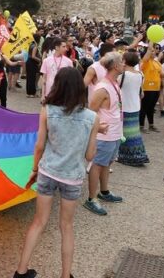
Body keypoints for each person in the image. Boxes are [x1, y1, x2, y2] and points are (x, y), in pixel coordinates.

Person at [12, 68, 103, 278]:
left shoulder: (48, 110)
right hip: (72, 177)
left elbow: (39, 145)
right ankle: (65, 274)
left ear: (58, 85)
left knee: (38, 222)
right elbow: (90, 155)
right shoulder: (92, 118)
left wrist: (35, 169)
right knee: (67, 226)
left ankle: (21, 271)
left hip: (47, 171)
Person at [84, 52, 124, 216]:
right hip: (104, 135)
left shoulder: (114, 83)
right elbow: (90, 111)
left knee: (107, 163)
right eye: (121, 62)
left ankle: (104, 191)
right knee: (97, 165)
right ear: (115, 66)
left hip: (114, 132)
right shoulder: (102, 88)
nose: (124, 64)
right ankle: (91, 198)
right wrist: (97, 128)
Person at [117, 51, 149, 166]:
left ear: (125, 61)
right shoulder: (140, 74)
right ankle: (138, 154)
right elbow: (141, 92)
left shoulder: (122, 75)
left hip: (124, 106)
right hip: (135, 106)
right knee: (133, 132)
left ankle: (127, 155)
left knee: (124, 132)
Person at [39, 38, 73, 103]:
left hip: (63, 94)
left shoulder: (68, 61)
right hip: (49, 93)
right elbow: (44, 79)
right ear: (57, 47)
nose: (66, 49)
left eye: (66, 47)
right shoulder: (46, 61)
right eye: (63, 47)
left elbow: (71, 79)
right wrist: (43, 95)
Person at [139, 44, 163, 132]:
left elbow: (162, 74)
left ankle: (151, 125)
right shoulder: (145, 61)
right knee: (144, 108)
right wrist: (150, 45)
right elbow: (147, 55)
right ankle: (141, 126)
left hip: (156, 88)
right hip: (147, 88)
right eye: (152, 51)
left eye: (154, 51)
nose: (154, 52)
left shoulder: (157, 62)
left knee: (151, 107)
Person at [26, 34, 42, 98]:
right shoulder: (35, 46)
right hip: (32, 63)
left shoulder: (31, 45)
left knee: (29, 78)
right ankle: (32, 93)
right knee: (32, 78)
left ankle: (29, 93)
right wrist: (40, 60)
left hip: (29, 62)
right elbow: (33, 56)